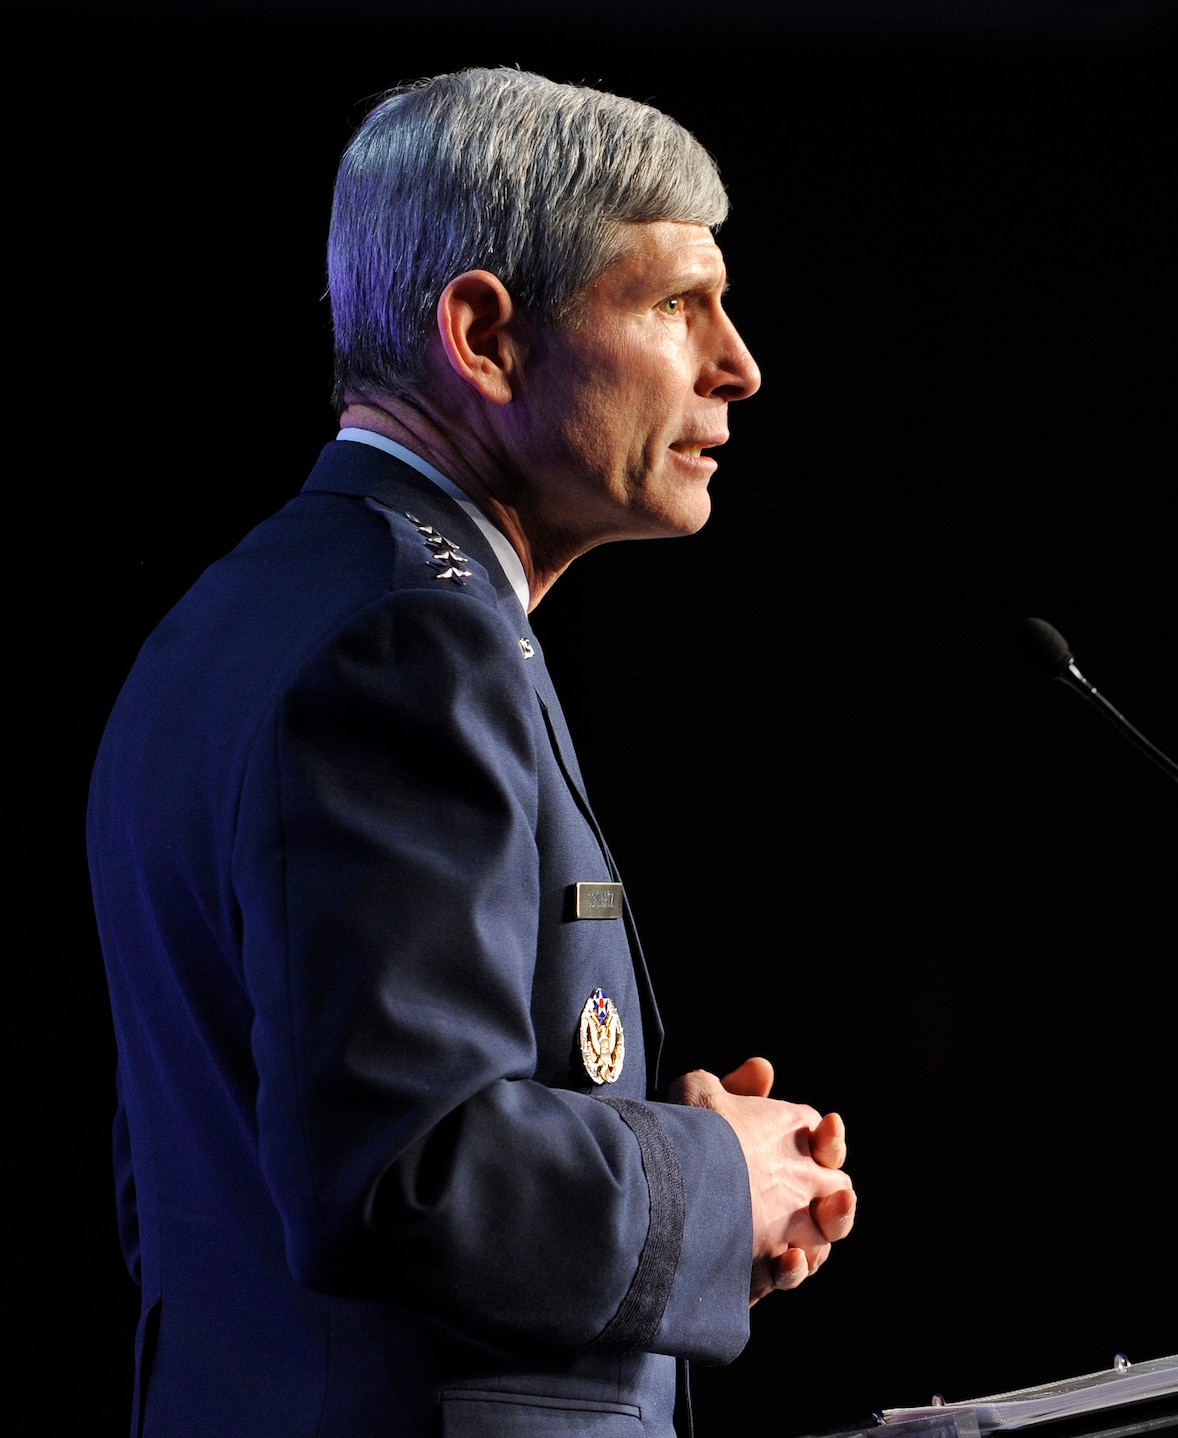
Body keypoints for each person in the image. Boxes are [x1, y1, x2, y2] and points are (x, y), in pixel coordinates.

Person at [87, 68, 854, 1437]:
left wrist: (650, 1145)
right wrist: (710, 1177)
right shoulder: (402, 644)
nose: (738, 361)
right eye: (678, 303)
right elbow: (404, 1171)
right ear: (487, 336)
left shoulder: (241, 614)